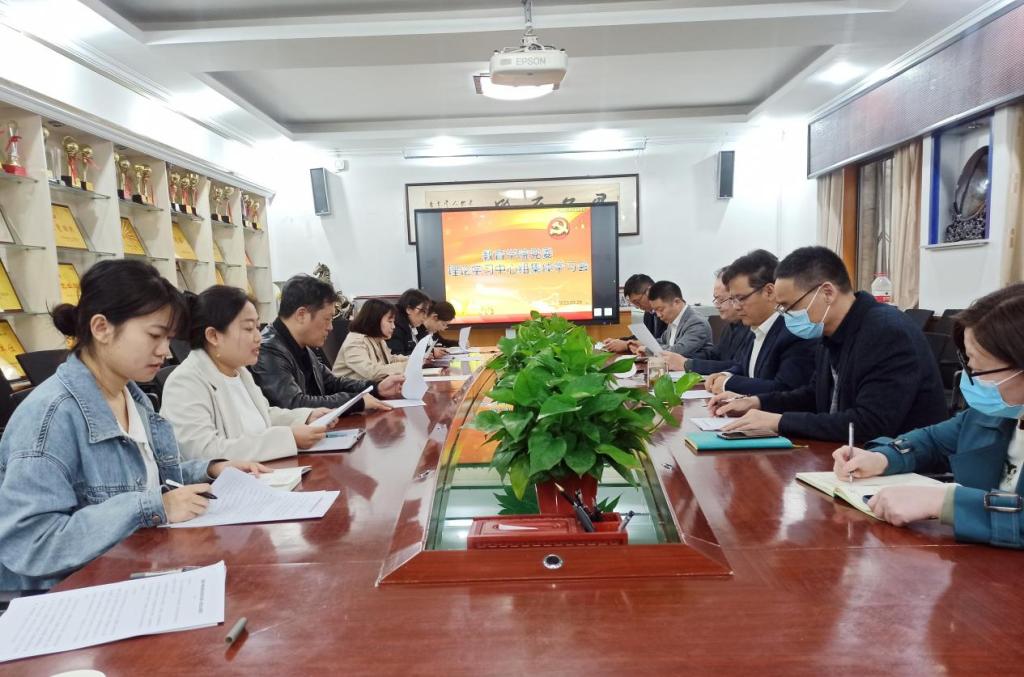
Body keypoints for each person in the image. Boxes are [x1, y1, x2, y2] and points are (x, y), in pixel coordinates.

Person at [0, 260, 266, 592]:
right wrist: (152, 508)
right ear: (102, 328)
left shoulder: (133, 397)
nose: (165, 351)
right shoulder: (50, 416)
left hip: (140, 570)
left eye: (168, 338)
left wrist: (209, 469)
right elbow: (32, 545)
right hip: (80, 593)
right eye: (154, 335)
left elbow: (147, 479)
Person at [833, 283, 1024, 548]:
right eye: (967, 362)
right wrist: (880, 459)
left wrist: (946, 503)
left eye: (979, 369)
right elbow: (932, 440)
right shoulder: (993, 414)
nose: (970, 377)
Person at [710, 246, 946, 442]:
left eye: (789, 306)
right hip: (848, 455)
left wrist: (779, 422)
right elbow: (814, 395)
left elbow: (870, 423)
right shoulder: (829, 331)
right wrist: (757, 402)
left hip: (900, 465)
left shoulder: (886, 332)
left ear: (827, 293)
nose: (786, 315)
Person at [163, 286, 366, 464]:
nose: (258, 337)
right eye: (248, 328)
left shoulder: (240, 372)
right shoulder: (186, 382)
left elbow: (264, 416)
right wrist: (288, 438)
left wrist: (306, 416)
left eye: (257, 327)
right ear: (213, 336)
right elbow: (203, 453)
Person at [252, 275, 404, 410]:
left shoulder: (302, 346)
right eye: (327, 319)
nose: (331, 327)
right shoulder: (268, 350)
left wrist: (376, 388)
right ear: (301, 315)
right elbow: (294, 404)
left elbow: (332, 383)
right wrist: (355, 401)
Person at [703, 250, 816, 395]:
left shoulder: (794, 331)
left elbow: (786, 389)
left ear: (769, 292)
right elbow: (746, 366)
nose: (736, 306)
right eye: (732, 299)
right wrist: (726, 374)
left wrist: (728, 383)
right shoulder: (756, 326)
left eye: (740, 298)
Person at [684, 268, 753, 375]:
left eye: (720, 300)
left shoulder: (753, 327)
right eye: (715, 299)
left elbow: (739, 366)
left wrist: (689, 364)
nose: (717, 305)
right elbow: (715, 355)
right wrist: (684, 359)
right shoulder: (730, 326)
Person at [633, 280, 715, 360]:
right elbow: (662, 341)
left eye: (660, 309)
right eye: (655, 310)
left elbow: (678, 351)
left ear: (677, 302)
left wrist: (648, 349)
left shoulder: (697, 323)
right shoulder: (673, 320)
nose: (658, 315)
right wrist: (643, 343)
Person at [333, 298, 409, 380]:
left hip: (369, 386)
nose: (393, 326)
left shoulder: (378, 339)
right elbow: (371, 372)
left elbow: (389, 360)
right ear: (375, 320)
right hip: (352, 388)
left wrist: (413, 360)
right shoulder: (355, 341)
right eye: (390, 321)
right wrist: (405, 366)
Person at [604, 273, 667, 353]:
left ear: (649, 291)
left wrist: (627, 345)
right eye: (634, 303)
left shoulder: (667, 312)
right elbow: (645, 338)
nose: (637, 307)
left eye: (637, 301)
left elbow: (663, 344)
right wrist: (618, 341)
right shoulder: (649, 313)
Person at [387, 288, 431, 356]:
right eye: (423, 311)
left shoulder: (414, 324)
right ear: (409, 309)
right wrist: (422, 355)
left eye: (427, 312)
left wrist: (428, 352)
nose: (425, 316)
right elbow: (398, 355)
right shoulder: (396, 327)